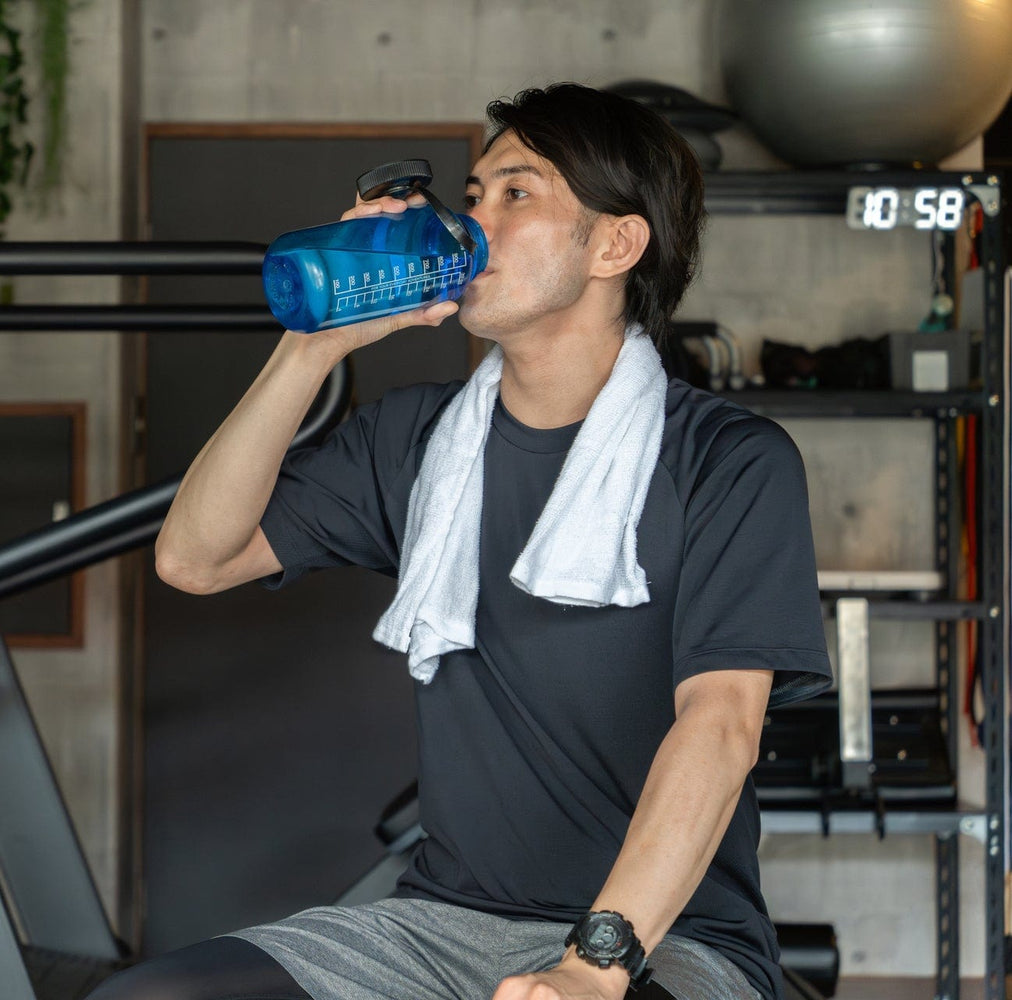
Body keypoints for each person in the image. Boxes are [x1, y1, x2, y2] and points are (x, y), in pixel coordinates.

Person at [93, 83, 832, 1000]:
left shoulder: (727, 461)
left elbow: (721, 727)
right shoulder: (419, 441)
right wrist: (312, 347)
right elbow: (194, 558)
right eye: (473, 195)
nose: (474, 220)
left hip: (665, 941)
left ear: (615, 243)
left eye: (516, 194)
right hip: (442, 923)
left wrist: (594, 968)